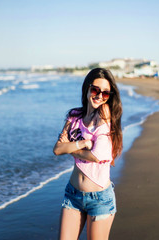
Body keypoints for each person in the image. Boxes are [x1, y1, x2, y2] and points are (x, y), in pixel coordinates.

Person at [53, 68, 123, 240]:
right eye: (95, 90)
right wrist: (83, 144)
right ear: (87, 88)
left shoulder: (104, 113)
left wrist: (71, 149)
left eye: (105, 93)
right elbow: (57, 149)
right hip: (72, 195)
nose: (99, 96)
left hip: (99, 199)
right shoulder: (74, 116)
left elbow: (97, 155)